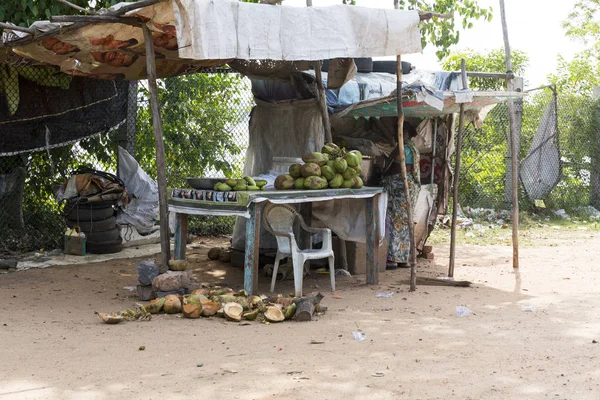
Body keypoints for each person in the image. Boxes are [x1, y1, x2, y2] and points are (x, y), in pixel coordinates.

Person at [381, 121, 421, 269]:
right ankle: (403, 257)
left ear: (407, 133)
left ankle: (394, 257)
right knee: (402, 221)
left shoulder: (406, 147)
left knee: (396, 221)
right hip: (403, 188)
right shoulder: (410, 146)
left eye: (400, 132)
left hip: (402, 188)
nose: (396, 135)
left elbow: (398, 159)